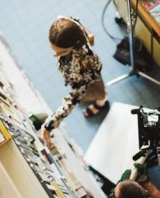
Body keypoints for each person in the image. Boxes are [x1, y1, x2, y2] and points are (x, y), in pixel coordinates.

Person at [39, 16, 109, 148]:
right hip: (80, 78)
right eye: (54, 50)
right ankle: (100, 100)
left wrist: (51, 123)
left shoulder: (85, 62)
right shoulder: (67, 25)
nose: (56, 55)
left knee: (99, 92)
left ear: (76, 44)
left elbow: (76, 95)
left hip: (91, 79)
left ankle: (102, 103)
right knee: (89, 94)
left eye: (61, 52)